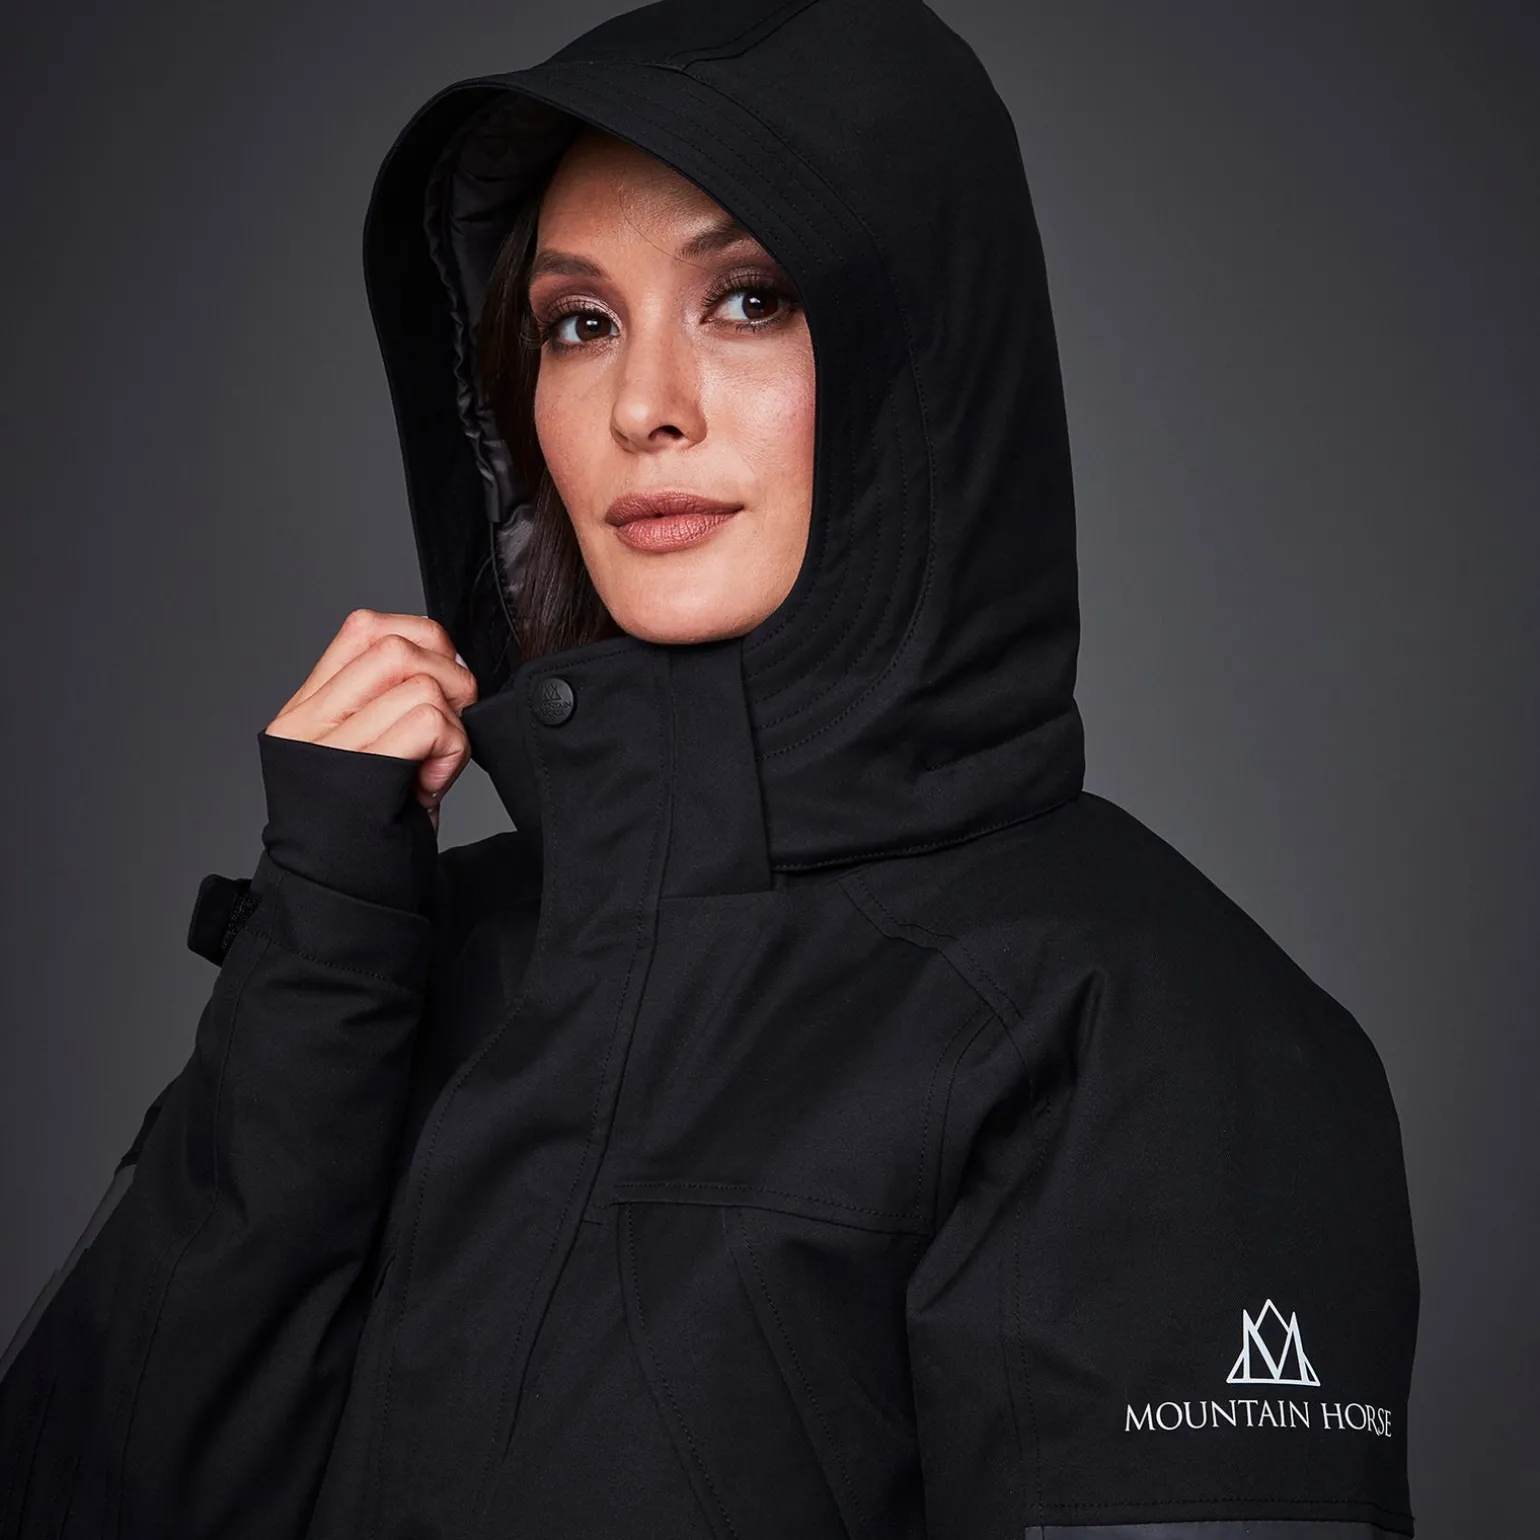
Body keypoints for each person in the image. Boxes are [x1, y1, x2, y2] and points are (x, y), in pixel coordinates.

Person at [0, 1, 1419, 1536]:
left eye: (749, 299)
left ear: (922, 365)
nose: (641, 407)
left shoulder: (1150, 1031)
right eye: (579, 323)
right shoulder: (413, 960)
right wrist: (322, 944)